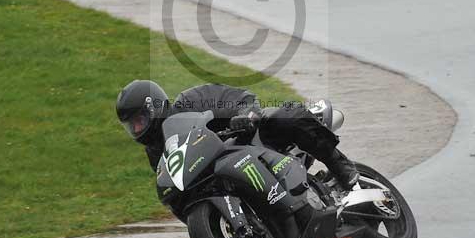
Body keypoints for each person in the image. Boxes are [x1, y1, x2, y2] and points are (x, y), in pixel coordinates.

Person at [115, 80, 359, 189]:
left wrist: (247, 114)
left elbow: (240, 97)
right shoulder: (156, 154)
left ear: (154, 106)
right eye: (131, 126)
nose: (137, 130)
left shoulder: (192, 100)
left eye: (139, 121)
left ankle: (340, 165)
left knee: (283, 116)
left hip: (251, 142)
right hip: (226, 176)